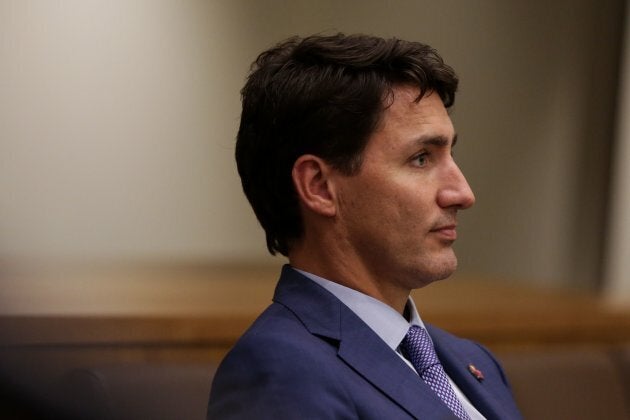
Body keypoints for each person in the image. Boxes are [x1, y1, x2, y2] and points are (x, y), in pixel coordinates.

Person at [207, 33, 522, 420]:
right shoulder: (279, 372)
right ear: (319, 187)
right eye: (421, 158)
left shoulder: (475, 363)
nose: (463, 193)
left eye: (449, 155)